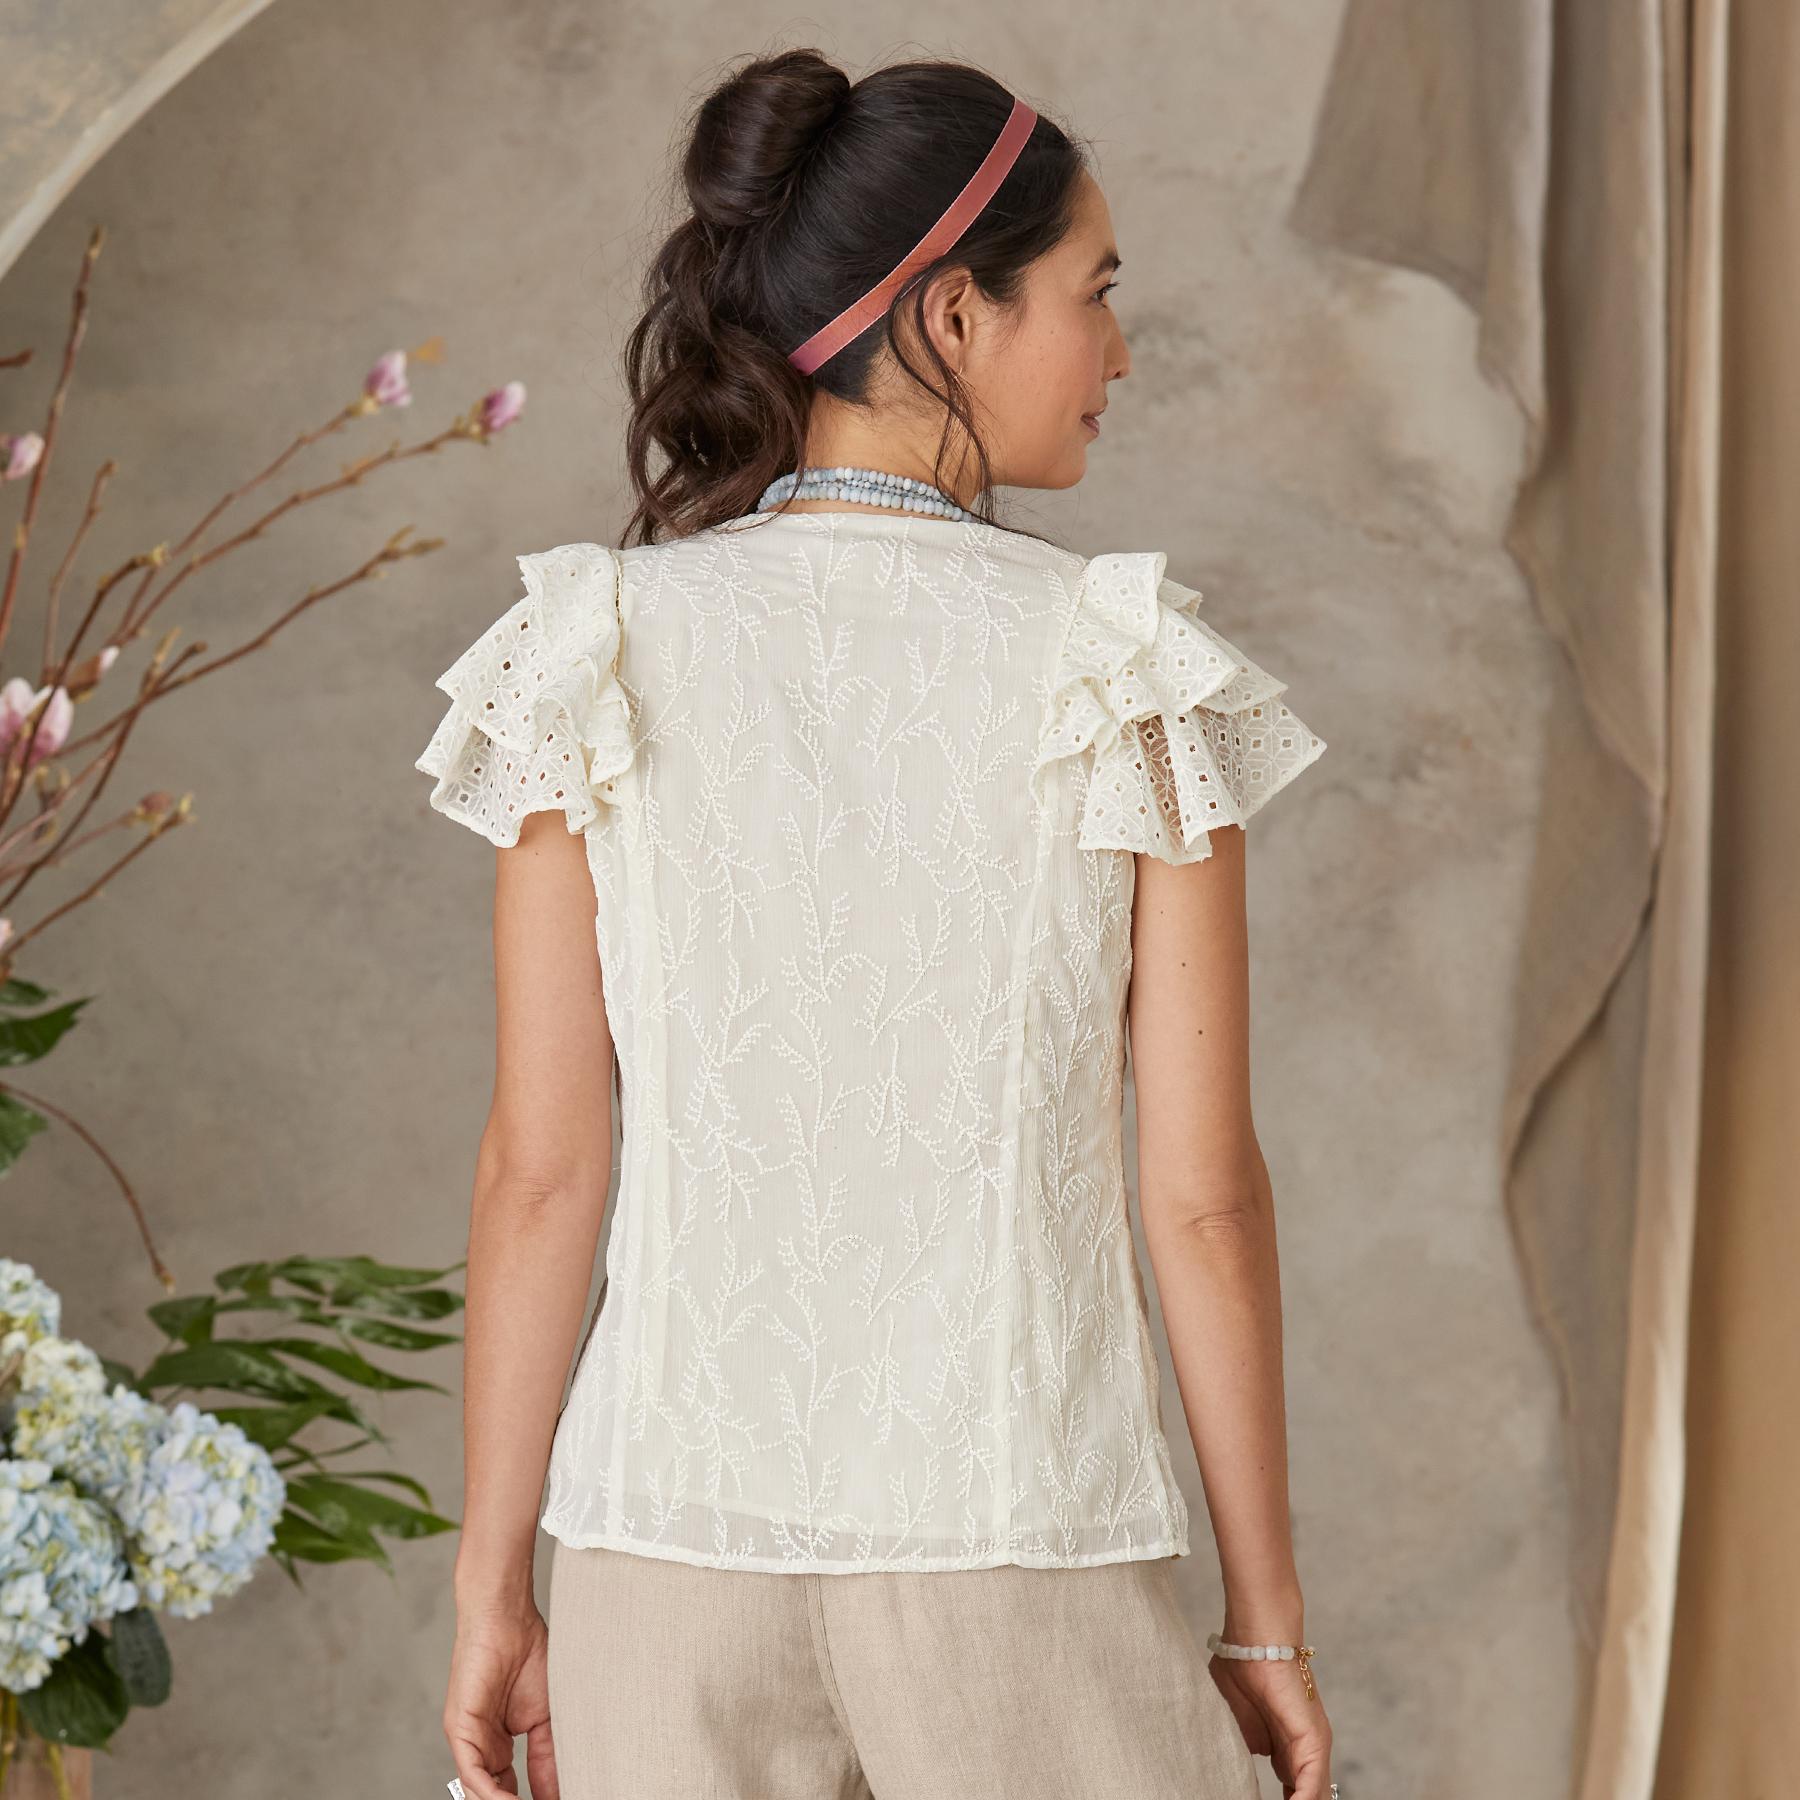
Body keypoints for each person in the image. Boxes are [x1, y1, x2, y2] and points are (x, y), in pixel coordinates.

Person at [419, 47, 1336, 1800]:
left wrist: (493, 1585)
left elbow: (542, 1171)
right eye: (1096, 292)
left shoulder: (588, 648)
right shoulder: (1125, 668)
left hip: (658, 1553)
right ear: (954, 315)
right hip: (1018, 1541)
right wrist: (1266, 1623)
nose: (1123, 351)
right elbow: (1202, 1196)